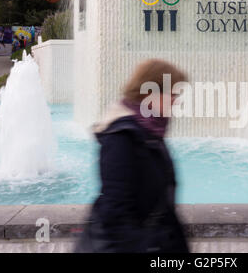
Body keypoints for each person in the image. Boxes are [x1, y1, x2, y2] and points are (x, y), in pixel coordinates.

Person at [75, 59, 189, 253]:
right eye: (173, 94)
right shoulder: (122, 137)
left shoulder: (151, 132)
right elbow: (116, 212)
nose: (176, 100)